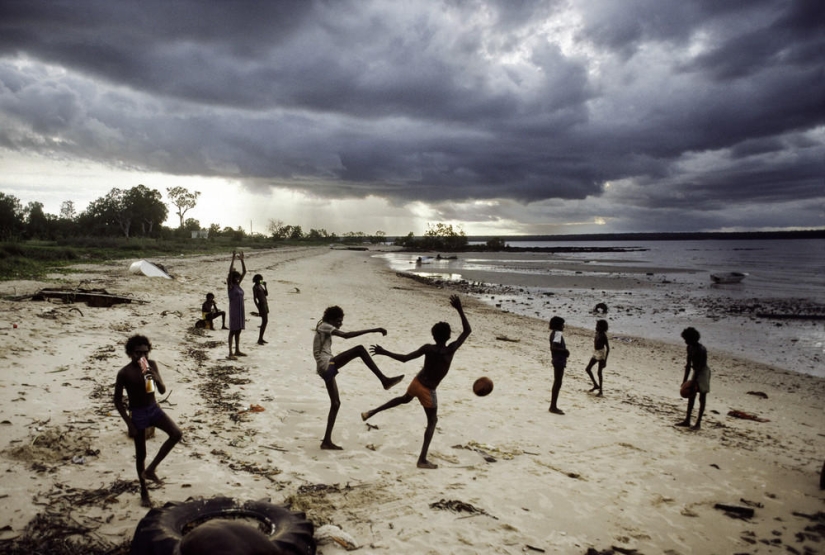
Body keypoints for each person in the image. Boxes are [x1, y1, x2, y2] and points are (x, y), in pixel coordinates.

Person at [361, 295, 471, 469]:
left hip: (417, 382)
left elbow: (405, 359)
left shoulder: (428, 348)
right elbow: (467, 331)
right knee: (432, 422)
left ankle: (373, 411)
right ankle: (422, 460)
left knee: (404, 398)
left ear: (433, 335)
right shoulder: (451, 349)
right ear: (449, 336)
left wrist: (384, 352)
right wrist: (459, 309)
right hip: (428, 390)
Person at [313, 305, 405, 450]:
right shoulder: (325, 326)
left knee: (336, 403)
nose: (340, 324)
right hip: (327, 365)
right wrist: (373, 330)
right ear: (331, 319)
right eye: (338, 321)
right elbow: (346, 335)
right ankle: (384, 380)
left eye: (341, 321)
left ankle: (326, 441)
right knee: (359, 349)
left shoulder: (322, 325)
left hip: (325, 368)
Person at [114, 335, 182, 507]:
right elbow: (117, 401)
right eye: (138, 353)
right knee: (141, 454)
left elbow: (161, 390)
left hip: (153, 408)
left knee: (176, 433)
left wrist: (155, 377)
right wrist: (129, 424)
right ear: (130, 353)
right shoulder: (124, 373)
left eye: (145, 353)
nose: (142, 357)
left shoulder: (151, 365)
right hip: (137, 413)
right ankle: (144, 491)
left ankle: (151, 469)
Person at [676, 327, 710, 430]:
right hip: (696, 371)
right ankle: (687, 420)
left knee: (702, 397)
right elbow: (688, 365)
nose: (685, 341)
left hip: (703, 372)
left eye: (686, 339)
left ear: (692, 338)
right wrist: (685, 381)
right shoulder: (689, 347)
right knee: (691, 396)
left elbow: (700, 366)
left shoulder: (701, 349)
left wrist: (694, 382)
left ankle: (698, 423)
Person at [226, 251, 247, 359]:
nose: (238, 279)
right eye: (236, 277)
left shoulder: (238, 285)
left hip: (240, 310)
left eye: (238, 278)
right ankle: (230, 352)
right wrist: (233, 258)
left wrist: (242, 260)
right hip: (234, 310)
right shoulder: (230, 286)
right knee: (232, 331)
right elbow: (230, 273)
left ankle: (237, 350)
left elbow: (245, 272)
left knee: (238, 330)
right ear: (232, 278)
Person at [548, 315, 569, 415]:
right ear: (558, 325)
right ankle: (553, 406)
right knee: (558, 382)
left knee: (557, 382)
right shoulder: (557, 334)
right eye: (562, 325)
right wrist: (565, 351)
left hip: (557, 359)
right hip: (559, 360)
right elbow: (553, 347)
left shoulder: (553, 333)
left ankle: (553, 405)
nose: (563, 327)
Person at [584, 319, 610, 396]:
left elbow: (608, 348)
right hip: (596, 352)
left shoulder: (603, 335)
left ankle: (601, 391)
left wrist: (605, 360)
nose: (596, 327)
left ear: (601, 327)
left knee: (599, 372)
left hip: (601, 353)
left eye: (597, 326)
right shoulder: (597, 333)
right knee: (588, 369)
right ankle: (596, 385)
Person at [252, 274, 269, 345]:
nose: (261, 281)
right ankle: (260, 338)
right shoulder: (255, 287)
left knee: (265, 321)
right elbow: (255, 298)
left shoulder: (260, 286)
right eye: (260, 279)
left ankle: (261, 338)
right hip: (261, 305)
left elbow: (266, 294)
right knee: (264, 321)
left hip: (265, 304)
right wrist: (258, 307)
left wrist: (265, 286)